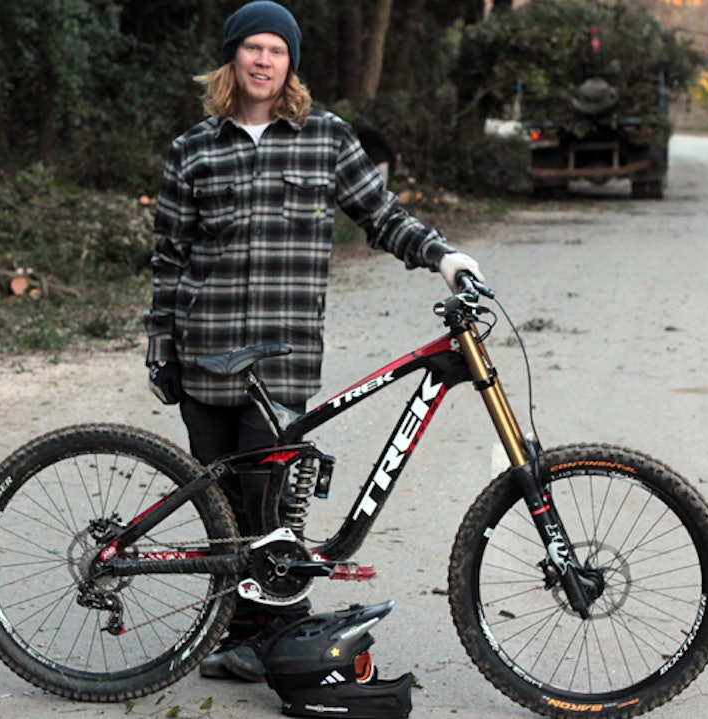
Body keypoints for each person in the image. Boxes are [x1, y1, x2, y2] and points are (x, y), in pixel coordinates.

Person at [143, 0, 483, 684]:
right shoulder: (194, 149)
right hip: (204, 350)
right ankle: (239, 633)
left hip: (283, 358)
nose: (263, 60)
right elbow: (169, 256)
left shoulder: (325, 138)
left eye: (276, 50)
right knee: (223, 509)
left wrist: (444, 258)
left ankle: (269, 634)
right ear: (233, 58)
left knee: (270, 501)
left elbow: (381, 216)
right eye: (252, 48)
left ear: (290, 62)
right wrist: (160, 343)